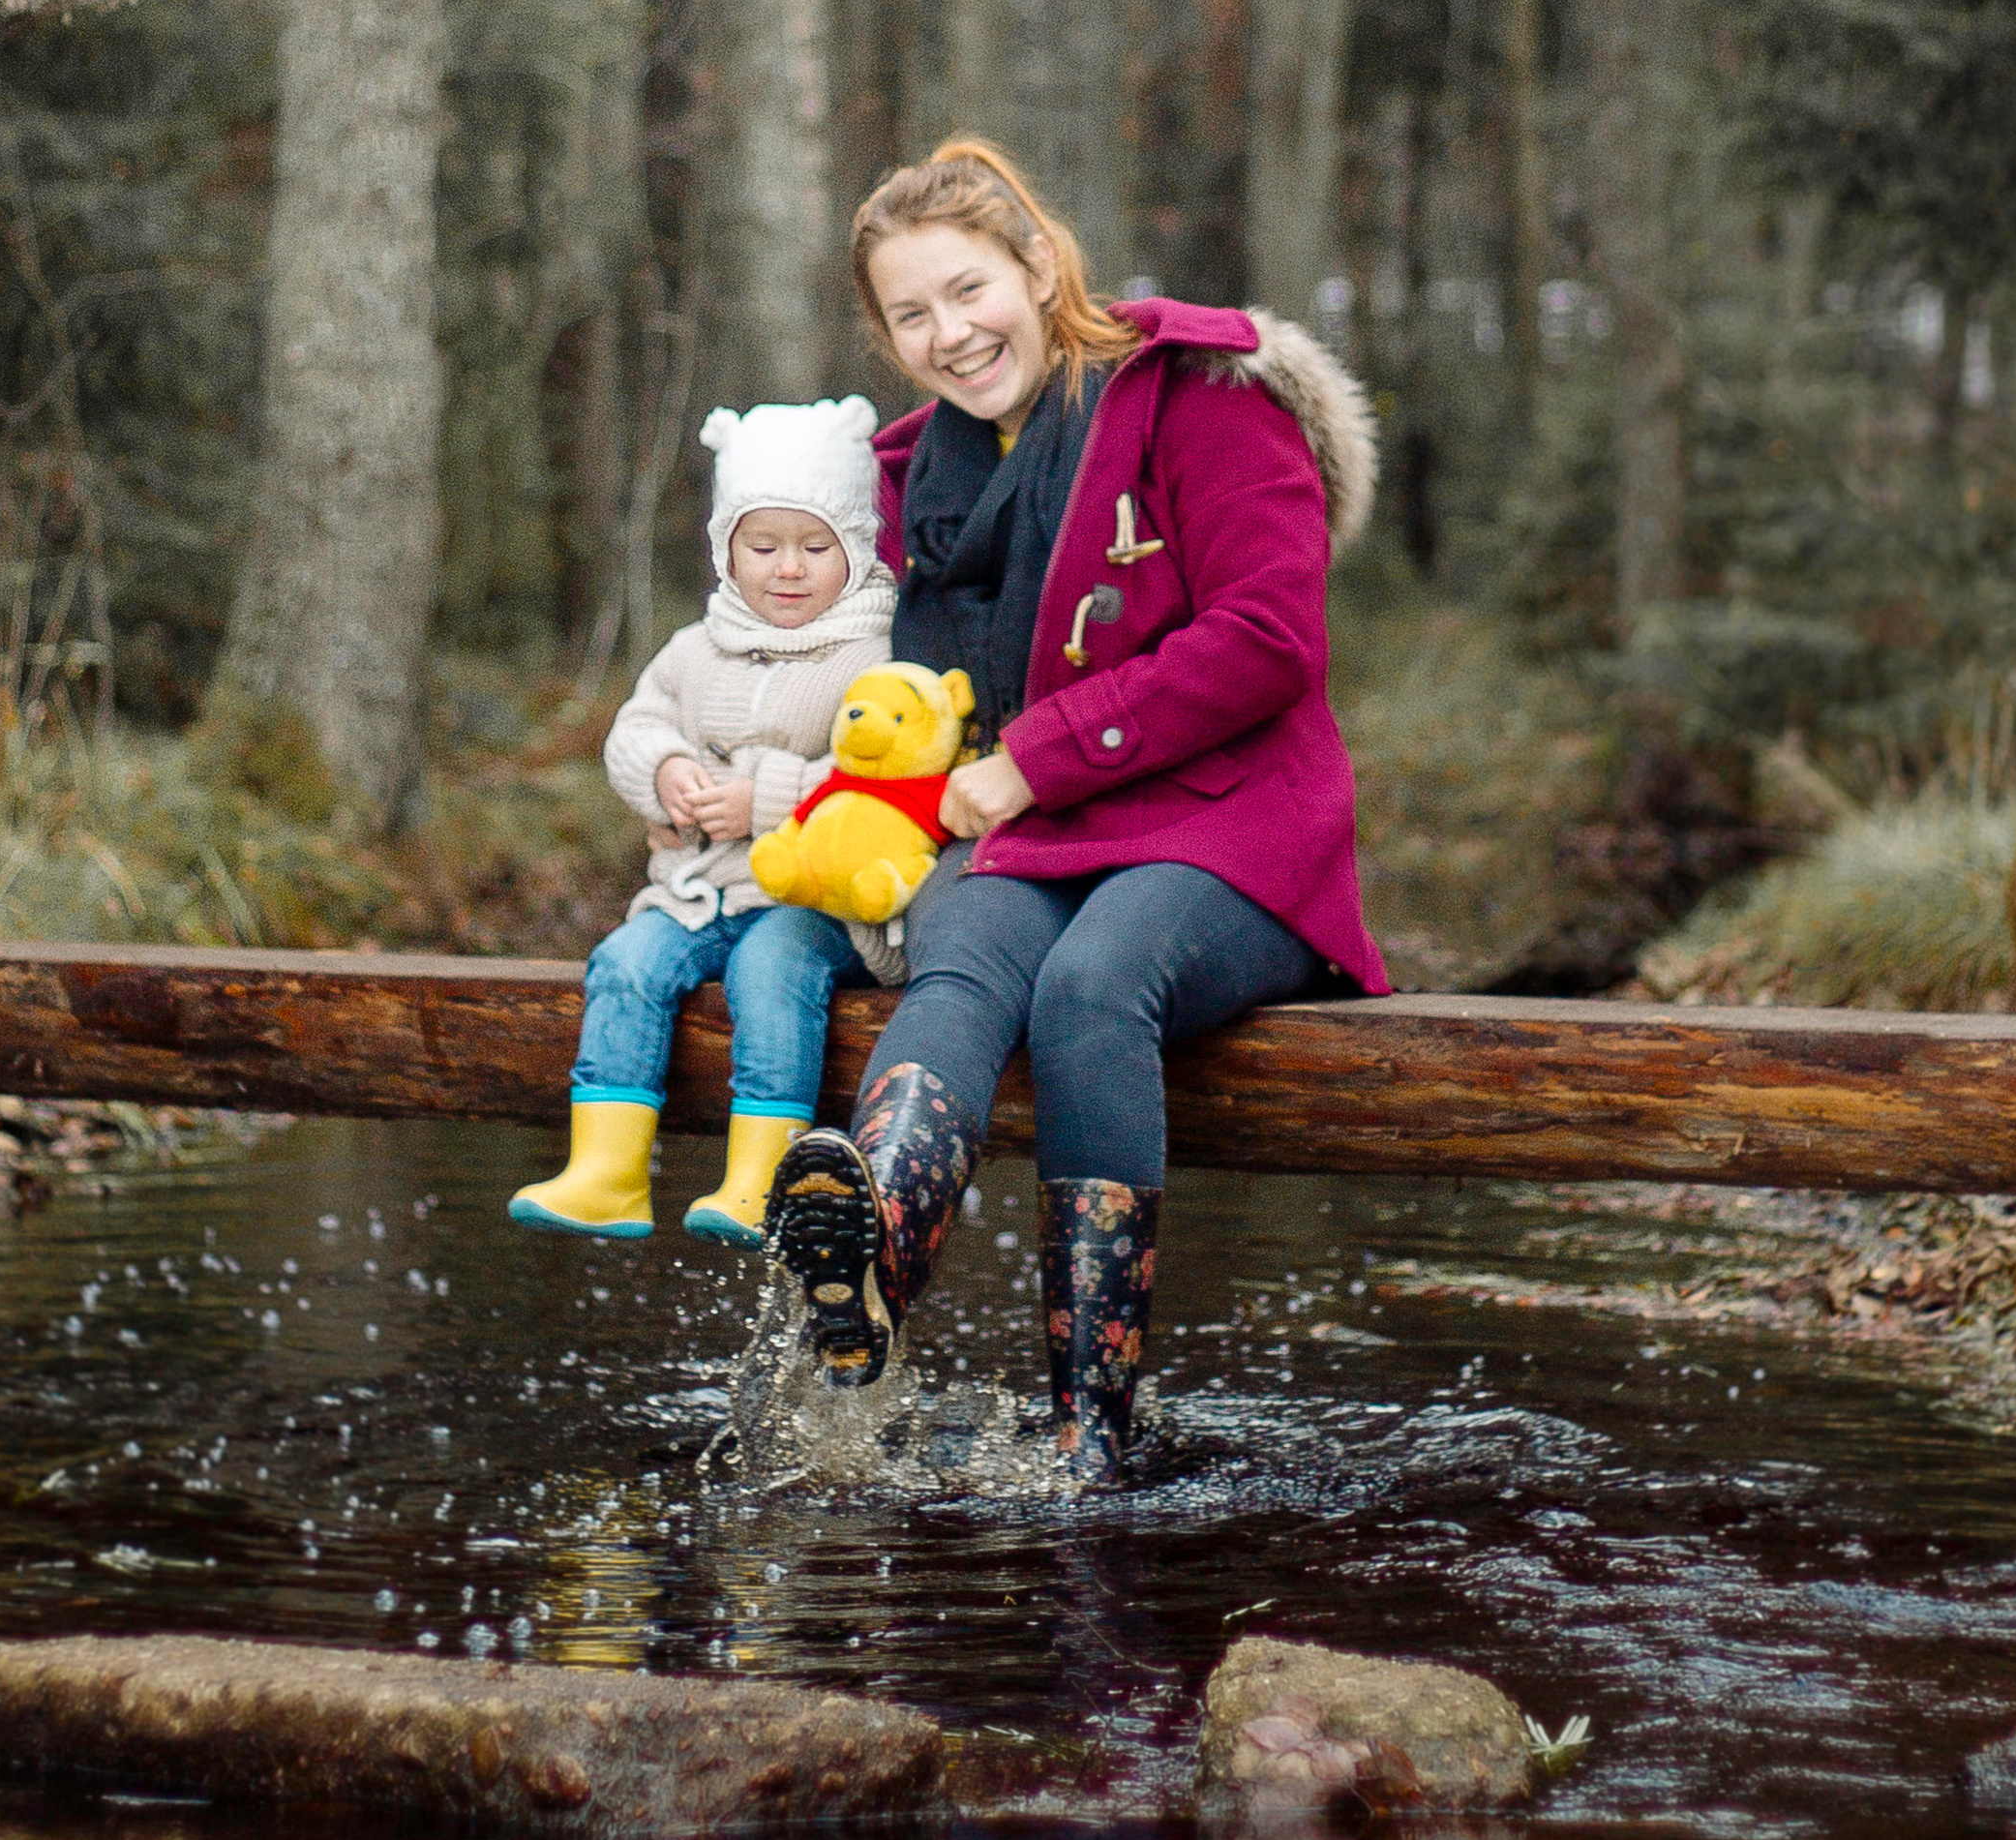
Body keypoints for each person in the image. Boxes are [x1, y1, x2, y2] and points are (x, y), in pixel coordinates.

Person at [764, 140, 1383, 1479]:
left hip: (1233, 822)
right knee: (960, 959)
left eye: (968, 289)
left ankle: (1089, 1430)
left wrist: (1039, 757)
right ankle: (869, 1259)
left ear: (1041, 266)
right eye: (911, 315)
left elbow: (1269, 637)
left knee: (1093, 987)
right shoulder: (919, 476)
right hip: (1032, 833)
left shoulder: (1200, 400)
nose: (951, 334)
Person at [510, 397, 900, 1247]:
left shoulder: (872, 653)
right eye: (762, 547)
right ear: (728, 551)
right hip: (700, 888)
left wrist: (765, 798)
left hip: (815, 901)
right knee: (626, 961)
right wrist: (666, 771)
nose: (787, 569)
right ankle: (607, 1173)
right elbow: (635, 727)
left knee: (769, 969)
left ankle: (765, 1179)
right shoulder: (698, 646)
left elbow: (887, 772)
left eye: (814, 547)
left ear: (858, 548)